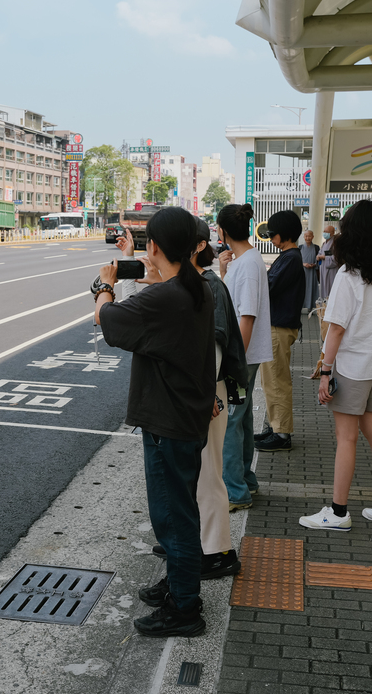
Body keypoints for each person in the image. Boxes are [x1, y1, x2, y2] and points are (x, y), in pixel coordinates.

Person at [95, 207, 216, 637]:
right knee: (179, 510)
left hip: (168, 422)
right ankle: (178, 586)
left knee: (172, 518)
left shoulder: (168, 296)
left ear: (157, 246)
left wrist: (105, 286)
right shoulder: (196, 286)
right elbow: (158, 294)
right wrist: (145, 266)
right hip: (186, 416)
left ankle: (184, 608)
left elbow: (109, 322)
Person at [119, 225, 249, 580]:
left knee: (207, 475)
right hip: (197, 393)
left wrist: (205, 392)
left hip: (206, 394)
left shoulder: (208, 287)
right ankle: (191, 543)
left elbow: (216, 346)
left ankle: (219, 551)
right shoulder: (185, 285)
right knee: (188, 479)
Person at [299, 199, 372, 531]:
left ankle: (339, 512)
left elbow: (337, 329)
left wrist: (326, 371)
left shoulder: (348, 275)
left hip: (353, 366)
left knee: (346, 438)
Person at [216, 203, 273, 511]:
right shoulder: (245, 260)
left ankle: (235, 491)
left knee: (229, 421)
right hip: (246, 356)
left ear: (223, 232)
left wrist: (233, 361)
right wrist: (225, 272)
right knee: (243, 416)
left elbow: (246, 317)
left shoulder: (249, 264)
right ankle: (246, 480)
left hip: (243, 358)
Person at [255, 210, 304, 452]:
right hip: (278, 326)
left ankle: (282, 433)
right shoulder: (289, 256)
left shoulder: (290, 258)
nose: (271, 238)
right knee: (271, 380)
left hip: (279, 327)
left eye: (273, 234)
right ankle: (275, 426)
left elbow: (268, 287)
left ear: (283, 234)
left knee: (276, 381)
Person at [318, 225, 339, 301]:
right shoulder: (324, 243)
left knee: (331, 289)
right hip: (323, 268)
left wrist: (324, 257)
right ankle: (324, 306)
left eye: (326, 232)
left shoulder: (335, 243)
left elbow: (337, 258)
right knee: (323, 288)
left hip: (331, 270)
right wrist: (318, 256)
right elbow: (320, 252)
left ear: (332, 233)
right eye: (324, 231)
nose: (324, 233)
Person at [300, 229, 320, 310]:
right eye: (306, 236)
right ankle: (301, 306)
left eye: (309, 236)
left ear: (313, 237)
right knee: (302, 288)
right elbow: (297, 260)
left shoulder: (316, 248)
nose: (307, 238)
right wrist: (303, 264)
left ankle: (311, 306)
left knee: (312, 288)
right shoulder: (300, 247)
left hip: (312, 272)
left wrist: (315, 264)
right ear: (304, 237)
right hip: (303, 272)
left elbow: (320, 261)